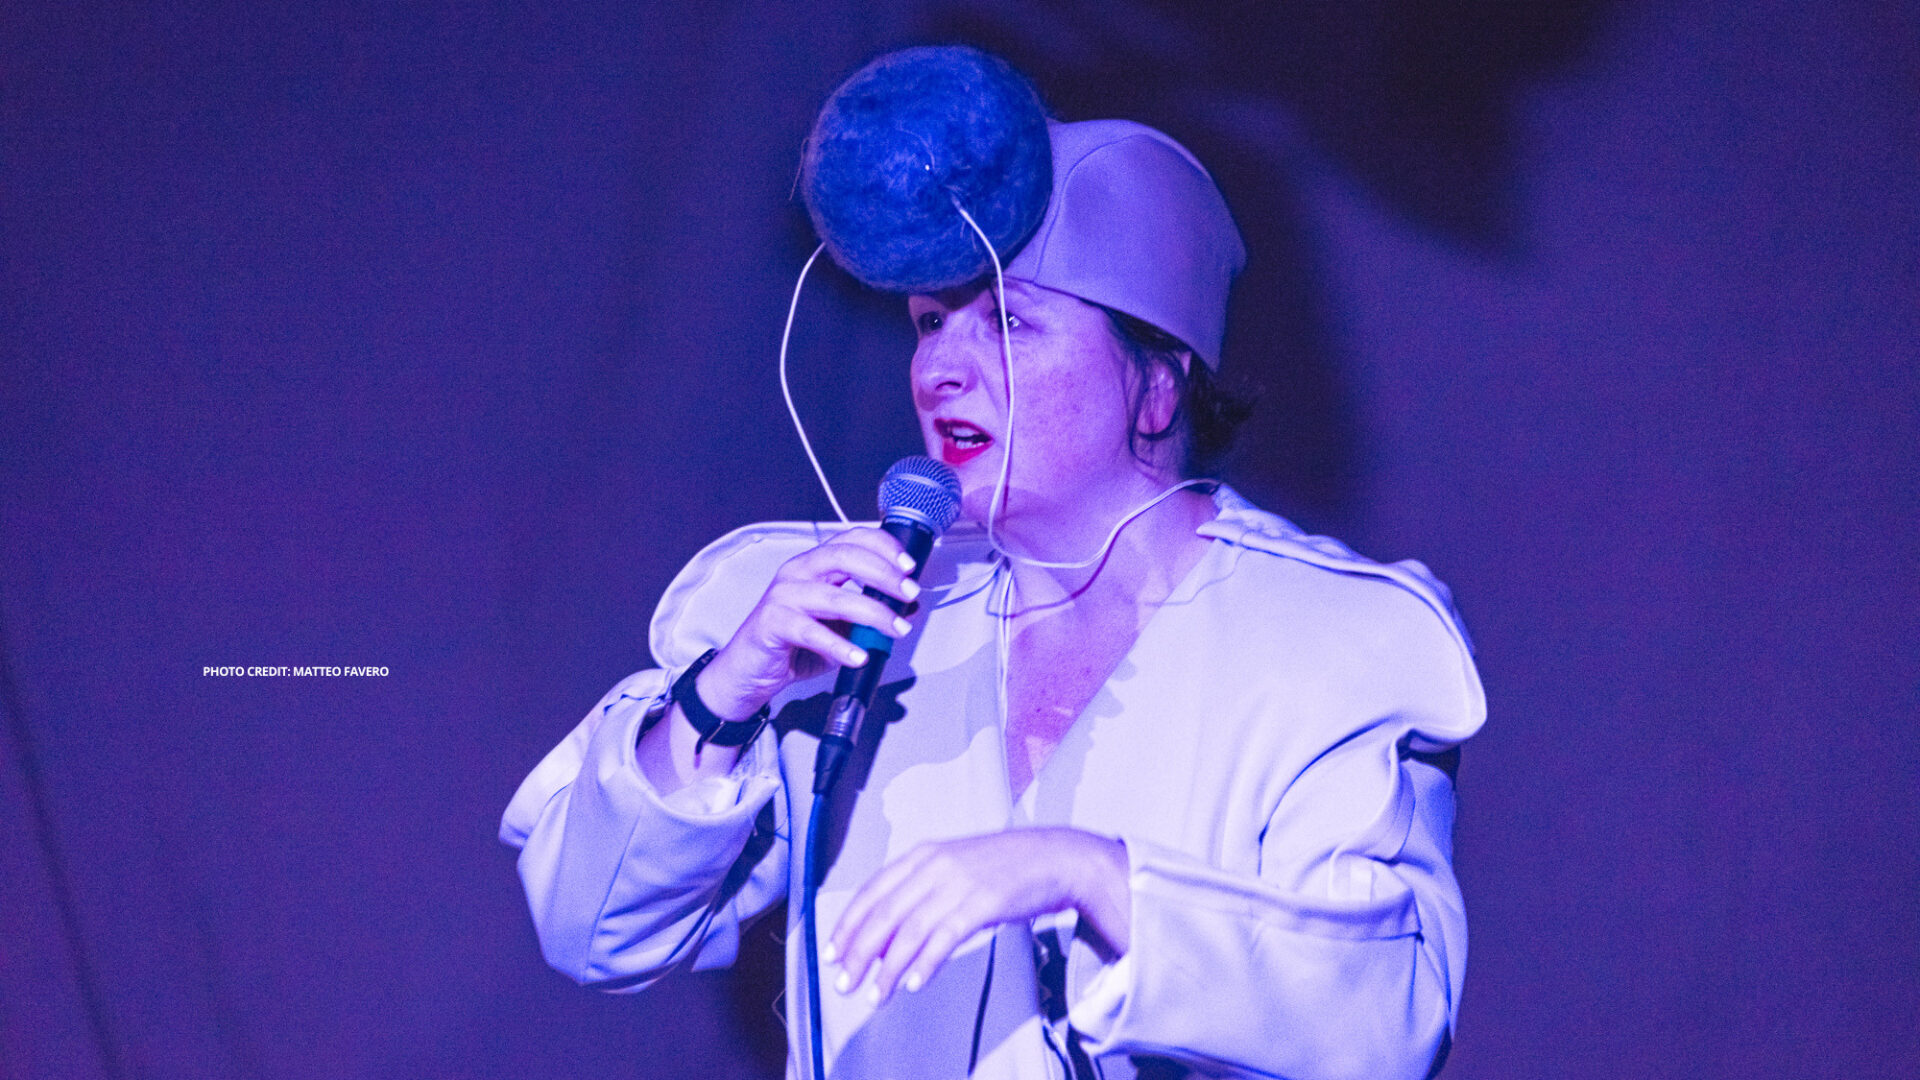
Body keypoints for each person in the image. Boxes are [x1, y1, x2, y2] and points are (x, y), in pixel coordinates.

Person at [501, 117, 1486, 1080]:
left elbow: (1388, 1017)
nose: (941, 369)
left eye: (1008, 322)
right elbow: (593, 931)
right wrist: (723, 699)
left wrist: (1091, 874)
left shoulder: (1322, 644)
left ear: (1157, 384)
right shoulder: (856, 612)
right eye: (931, 324)